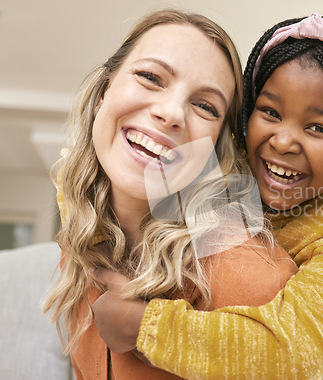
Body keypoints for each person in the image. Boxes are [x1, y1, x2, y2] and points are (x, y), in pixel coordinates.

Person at [87, 13, 323, 380]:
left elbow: (296, 354)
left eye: (318, 127)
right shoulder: (232, 159)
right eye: (270, 112)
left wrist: (146, 327)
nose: (283, 141)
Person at [42, 8, 304, 380]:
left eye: (205, 106)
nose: (170, 113)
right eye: (150, 77)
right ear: (104, 92)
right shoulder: (79, 249)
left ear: (214, 148)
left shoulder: (243, 273)